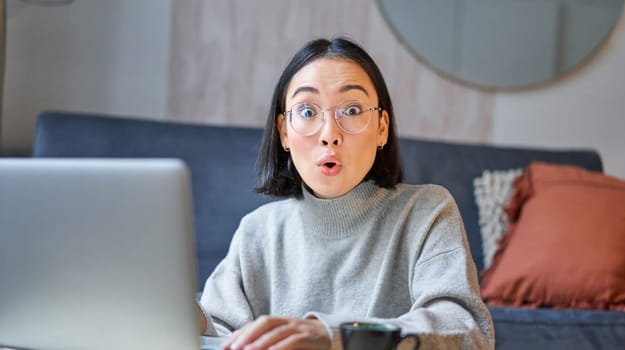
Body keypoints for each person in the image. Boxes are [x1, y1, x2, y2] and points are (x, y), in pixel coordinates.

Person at [197, 37, 494, 350]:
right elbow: (219, 331)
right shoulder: (257, 230)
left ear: (381, 127)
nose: (329, 135)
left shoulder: (427, 211)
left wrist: (335, 335)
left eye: (351, 109)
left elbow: (465, 331)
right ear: (284, 131)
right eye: (308, 111)